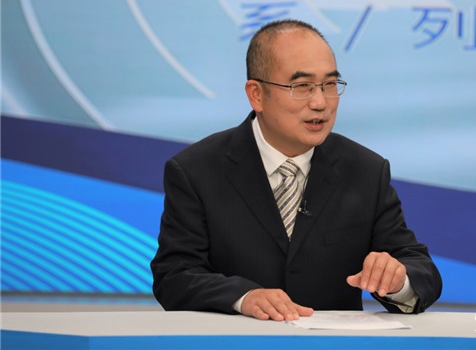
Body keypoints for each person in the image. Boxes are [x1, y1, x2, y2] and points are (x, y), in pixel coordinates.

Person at [150, 19, 442, 321]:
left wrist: (397, 281)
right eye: (302, 86)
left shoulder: (365, 170)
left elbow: (421, 269)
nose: (320, 102)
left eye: (330, 85)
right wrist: (243, 298)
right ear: (256, 94)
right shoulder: (196, 170)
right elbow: (174, 276)